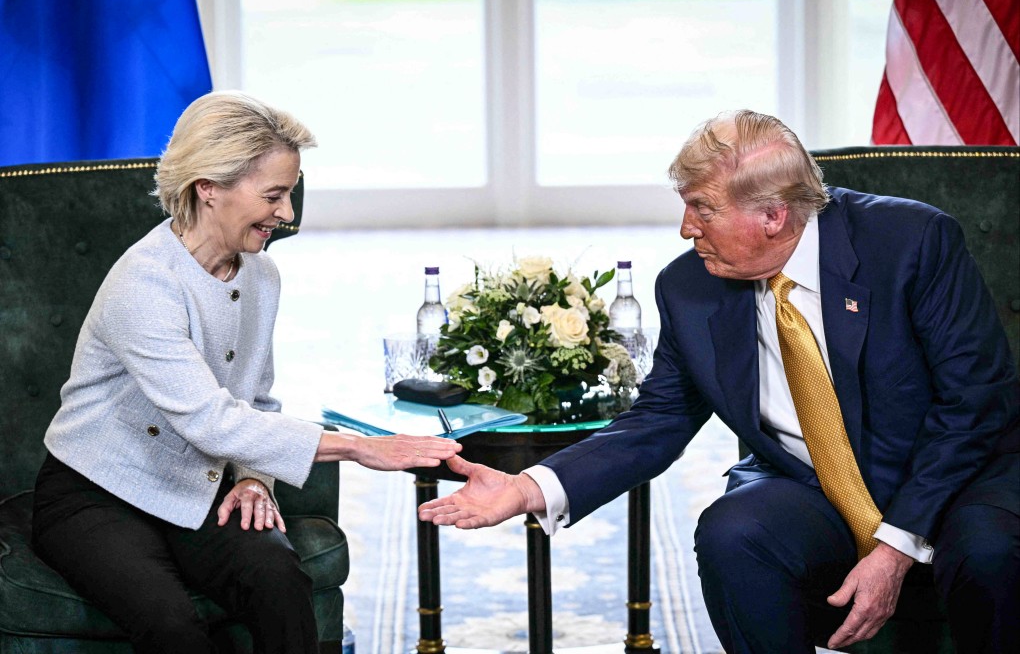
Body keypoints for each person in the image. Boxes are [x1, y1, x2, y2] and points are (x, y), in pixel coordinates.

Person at [419, 110, 1019, 653]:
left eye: (702, 208)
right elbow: (658, 420)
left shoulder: (912, 242)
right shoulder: (690, 287)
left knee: (989, 554)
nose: (686, 228)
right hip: (816, 485)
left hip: (956, 476)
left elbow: (973, 403)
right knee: (734, 532)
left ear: (773, 215)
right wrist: (526, 489)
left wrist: (894, 548)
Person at [31, 91, 461, 653]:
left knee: (280, 581)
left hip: (197, 482)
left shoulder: (261, 276)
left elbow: (253, 400)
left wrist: (257, 476)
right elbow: (209, 420)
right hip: (95, 493)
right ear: (208, 187)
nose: (286, 214)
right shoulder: (144, 282)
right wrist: (357, 448)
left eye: (289, 194)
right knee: (170, 626)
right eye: (275, 195)